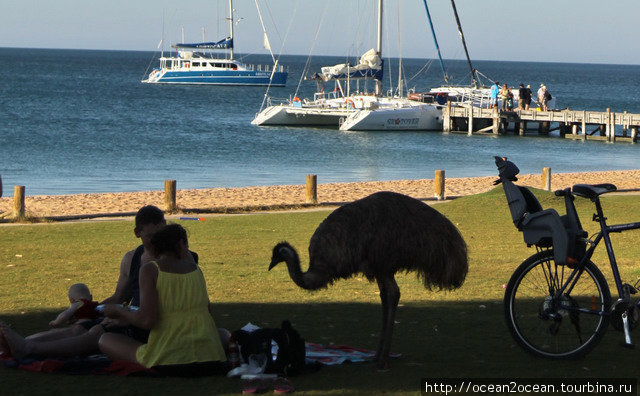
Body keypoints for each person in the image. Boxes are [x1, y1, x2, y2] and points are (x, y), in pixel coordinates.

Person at [0, 205, 168, 359]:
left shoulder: (174, 259)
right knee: (81, 327)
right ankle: (22, 342)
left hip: (148, 322)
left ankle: (28, 348)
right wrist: (93, 310)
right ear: (137, 233)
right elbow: (119, 297)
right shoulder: (132, 258)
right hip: (131, 316)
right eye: (150, 237)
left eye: (160, 235)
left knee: (96, 331)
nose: (156, 242)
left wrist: (126, 317)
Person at [99, 224, 228, 375]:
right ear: (180, 244)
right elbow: (207, 313)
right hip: (209, 357)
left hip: (167, 358)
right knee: (223, 334)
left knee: (105, 339)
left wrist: (118, 310)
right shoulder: (196, 270)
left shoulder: (150, 270)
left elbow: (147, 321)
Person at [19, 283, 101, 344]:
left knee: (53, 333)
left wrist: (56, 322)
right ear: (91, 297)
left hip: (81, 326)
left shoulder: (79, 303)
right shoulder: (95, 305)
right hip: (92, 327)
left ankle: (27, 340)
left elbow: (65, 314)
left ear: (71, 300)